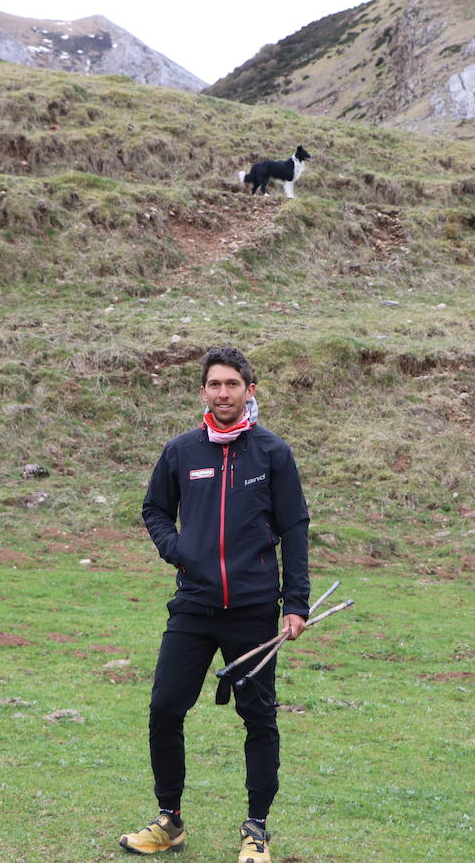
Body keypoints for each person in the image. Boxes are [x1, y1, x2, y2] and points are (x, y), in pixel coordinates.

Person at [120, 346, 310, 863]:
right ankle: (169, 820)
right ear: (203, 391)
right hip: (194, 606)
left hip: (253, 611)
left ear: (250, 390)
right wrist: (177, 550)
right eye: (214, 384)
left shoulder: (273, 453)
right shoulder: (182, 451)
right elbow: (155, 508)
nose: (223, 393)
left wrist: (296, 602)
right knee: (164, 707)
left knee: (259, 717)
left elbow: (294, 528)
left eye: (233, 384)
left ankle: (256, 829)